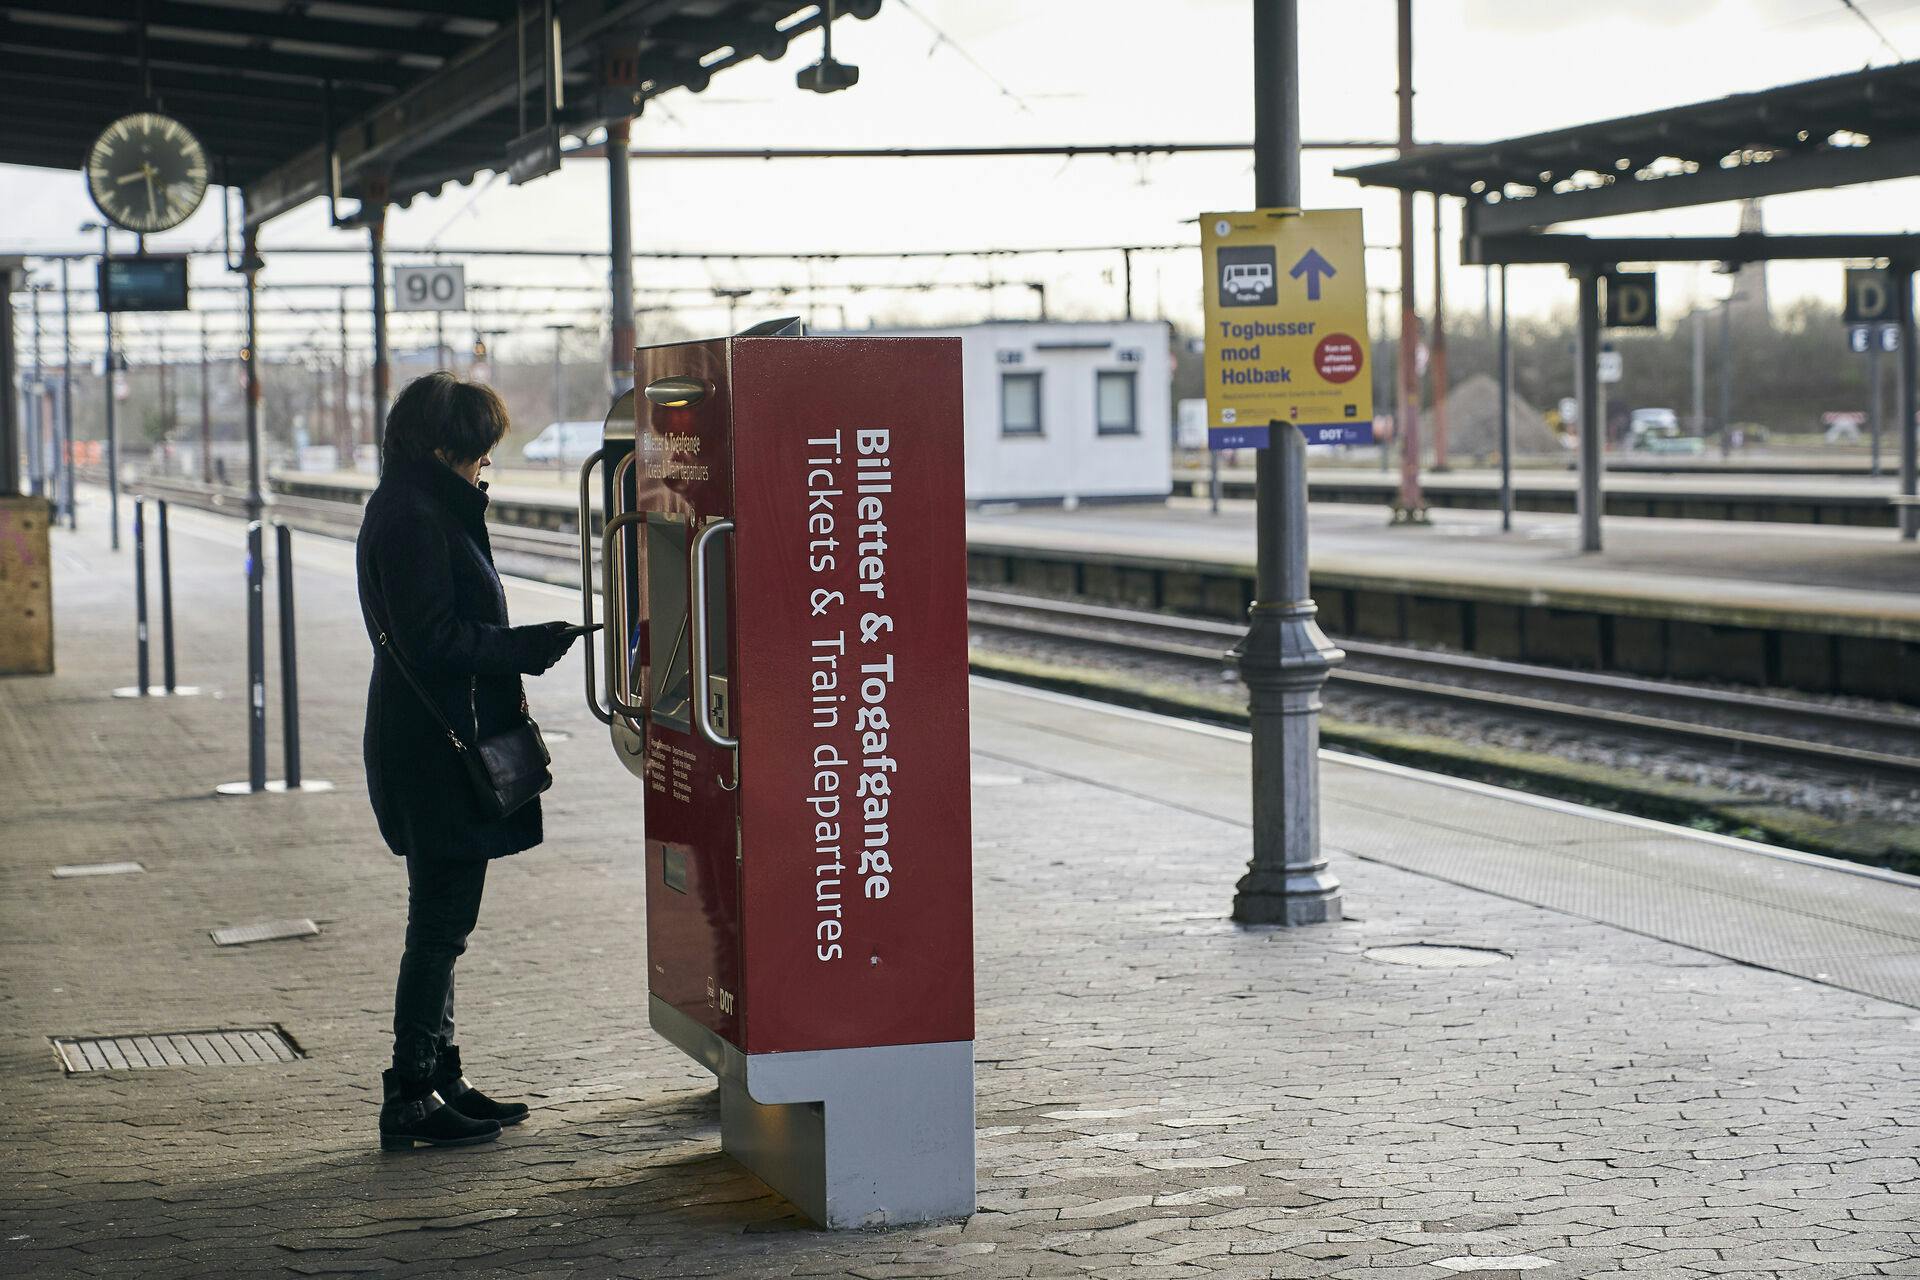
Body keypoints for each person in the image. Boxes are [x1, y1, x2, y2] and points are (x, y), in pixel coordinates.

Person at [355, 372, 582, 1151]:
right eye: (479, 450)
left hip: (430, 738)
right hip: (433, 750)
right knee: (438, 925)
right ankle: (411, 1093)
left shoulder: (414, 505)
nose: (486, 464)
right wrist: (524, 648)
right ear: (445, 446)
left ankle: (441, 1074)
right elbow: (434, 640)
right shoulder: (415, 518)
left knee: (446, 919)